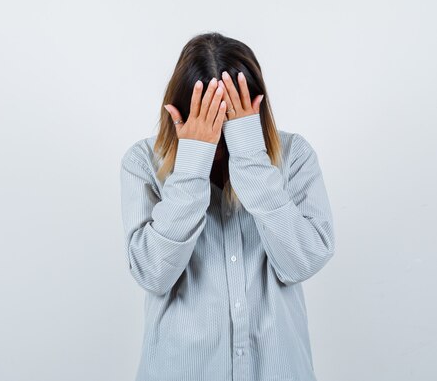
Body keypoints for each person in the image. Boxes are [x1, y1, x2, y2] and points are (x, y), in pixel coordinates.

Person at [119, 32, 335, 381]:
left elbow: (304, 261)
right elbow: (152, 274)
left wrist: (250, 154)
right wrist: (191, 163)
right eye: (205, 116)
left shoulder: (295, 156)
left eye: (229, 114)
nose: (218, 131)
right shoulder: (143, 162)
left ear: (256, 106)